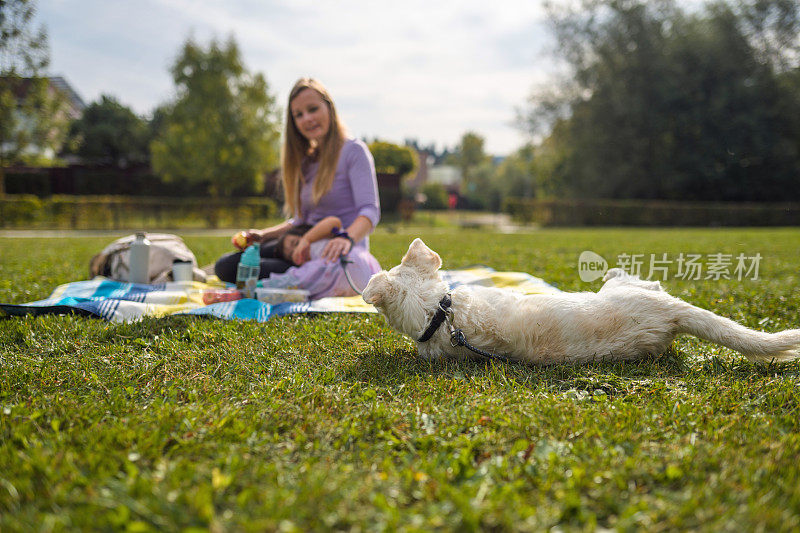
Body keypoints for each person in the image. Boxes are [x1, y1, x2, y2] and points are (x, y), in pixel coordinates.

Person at [214, 77, 381, 286]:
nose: (307, 118)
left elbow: (369, 212)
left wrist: (345, 238)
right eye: (298, 115)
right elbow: (301, 220)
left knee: (233, 269)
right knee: (225, 264)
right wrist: (263, 236)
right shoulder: (306, 161)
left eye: (313, 109)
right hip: (297, 244)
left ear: (329, 107)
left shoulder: (354, 151)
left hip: (329, 255)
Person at [256, 215, 380, 299]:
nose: (295, 252)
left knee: (298, 278)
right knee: (305, 276)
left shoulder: (320, 238)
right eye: (290, 255)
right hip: (352, 286)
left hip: (360, 265)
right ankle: (263, 288)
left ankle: (262, 287)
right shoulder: (312, 267)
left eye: (295, 243)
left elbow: (333, 221)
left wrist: (307, 239)